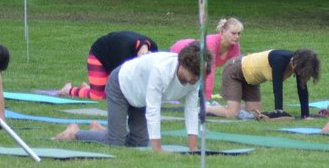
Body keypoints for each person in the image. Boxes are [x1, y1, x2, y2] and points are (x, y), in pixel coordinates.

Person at [54, 43, 211, 151]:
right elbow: (153, 110)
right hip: (120, 85)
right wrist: (158, 149)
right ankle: (74, 133)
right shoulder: (161, 70)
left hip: (140, 97)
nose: (196, 79)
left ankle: (101, 130)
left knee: (139, 143)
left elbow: (191, 111)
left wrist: (193, 147)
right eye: (195, 74)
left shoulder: (195, 78)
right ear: (183, 65)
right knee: (115, 142)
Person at [209, 49, 320, 119]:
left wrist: (305, 115)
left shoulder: (298, 65)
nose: (300, 73)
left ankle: (218, 107)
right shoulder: (279, 59)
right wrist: (279, 112)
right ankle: (206, 108)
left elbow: (302, 88)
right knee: (232, 113)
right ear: (295, 61)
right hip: (235, 71)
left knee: (253, 113)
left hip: (251, 80)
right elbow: (277, 88)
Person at [58, 31, 158, 100]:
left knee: (112, 94)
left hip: (115, 57)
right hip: (99, 55)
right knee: (98, 95)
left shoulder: (153, 48)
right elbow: (121, 78)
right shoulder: (124, 49)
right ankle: (69, 90)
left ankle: (90, 88)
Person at [169, 17, 243, 101]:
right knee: (178, 77)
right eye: (233, 33)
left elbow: (236, 70)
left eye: (239, 33)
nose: (237, 36)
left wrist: (237, 92)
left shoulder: (235, 46)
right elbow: (209, 71)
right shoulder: (211, 42)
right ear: (223, 32)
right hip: (179, 49)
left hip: (193, 56)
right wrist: (206, 96)